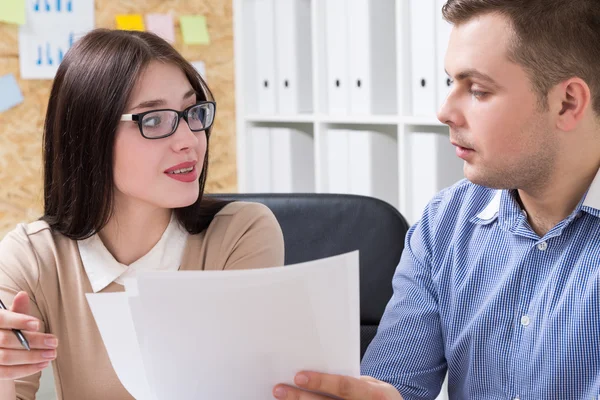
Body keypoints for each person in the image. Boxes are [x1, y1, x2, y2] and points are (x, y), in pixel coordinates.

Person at [273, 0, 600, 399]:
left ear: (567, 103)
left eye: (478, 90)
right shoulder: (445, 223)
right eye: (450, 83)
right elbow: (398, 384)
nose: (445, 111)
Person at [0, 29, 284, 399]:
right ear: (91, 135)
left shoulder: (241, 235)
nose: (189, 139)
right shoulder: (33, 256)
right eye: (153, 120)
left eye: (192, 112)